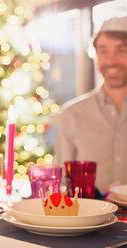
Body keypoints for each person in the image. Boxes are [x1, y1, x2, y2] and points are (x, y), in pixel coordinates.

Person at [54, 16, 127, 193]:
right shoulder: (71, 114)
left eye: (122, 50)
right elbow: (61, 185)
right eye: (103, 51)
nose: (111, 61)